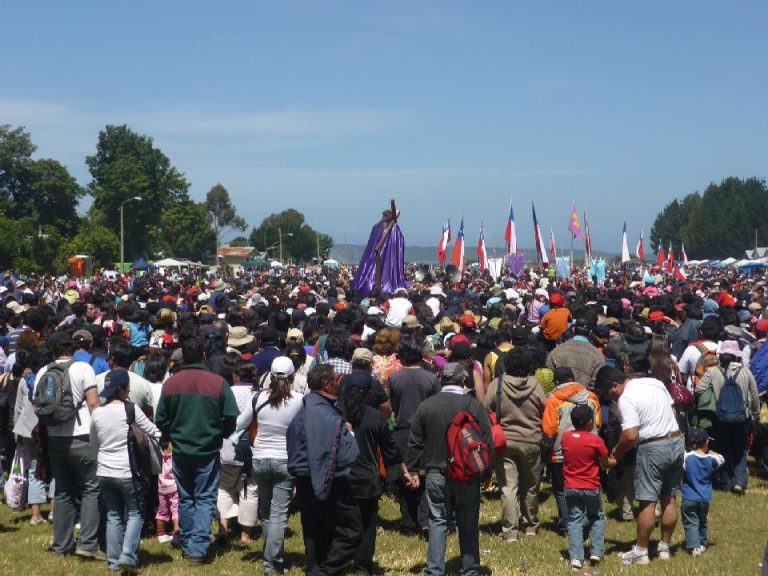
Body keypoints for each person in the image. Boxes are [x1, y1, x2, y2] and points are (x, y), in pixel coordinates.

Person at [155, 335, 239, 563]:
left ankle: (190, 541)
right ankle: (197, 547)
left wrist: (172, 433)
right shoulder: (217, 383)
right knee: (203, 498)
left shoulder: (171, 383)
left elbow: (160, 418)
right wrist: (220, 433)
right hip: (207, 450)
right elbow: (231, 417)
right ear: (203, 356)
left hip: (182, 450)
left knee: (187, 497)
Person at [407, 362, 492, 576]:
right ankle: (471, 568)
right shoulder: (473, 405)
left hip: (436, 471)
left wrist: (414, 470)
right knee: (468, 521)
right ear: (463, 380)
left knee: (438, 520)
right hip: (467, 474)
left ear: (440, 379)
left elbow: (415, 442)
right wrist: (486, 472)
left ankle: (435, 570)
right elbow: (487, 441)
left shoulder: (427, 405)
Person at [601, 370, 684, 565]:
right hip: (676, 440)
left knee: (648, 501)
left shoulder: (626, 398)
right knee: (669, 497)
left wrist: (615, 455)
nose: (608, 398)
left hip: (653, 446)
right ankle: (664, 547)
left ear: (615, 385)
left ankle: (641, 551)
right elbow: (672, 411)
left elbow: (630, 434)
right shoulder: (655, 383)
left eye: (607, 393)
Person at [33, 331, 103, 559]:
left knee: (63, 491)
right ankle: (88, 542)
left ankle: (61, 546)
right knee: (91, 488)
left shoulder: (43, 371)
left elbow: (38, 407)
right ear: (72, 348)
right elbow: (93, 403)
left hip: (54, 438)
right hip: (82, 436)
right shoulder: (84, 369)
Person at [339, 369, 416, 575]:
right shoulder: (374, 417)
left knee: (343, 522)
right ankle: (363, 567)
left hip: (341, 477)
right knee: (367, 526)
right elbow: (390, 449)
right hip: (367, 478)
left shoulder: (336, 412)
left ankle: (341, 561)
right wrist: (404, 471)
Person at [287, 364, 362, 575]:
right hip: (325, 480)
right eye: (336, 381)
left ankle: (315, 569)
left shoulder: (310, 407)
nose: (339, 384)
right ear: (327, 384)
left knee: (315, 532)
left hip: (306, 478)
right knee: (351, 531)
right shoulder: (321, 414)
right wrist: (322, 487)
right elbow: (323, 454)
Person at [237, 356, 303, 574]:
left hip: (260, 459)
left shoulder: (259, 397)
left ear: (271, 376)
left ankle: (273, 559)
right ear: (293, 376)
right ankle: (272, 561)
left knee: (266, 513)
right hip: (284, 460)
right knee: (278, 514)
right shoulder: (298, 400)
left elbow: (240, 423)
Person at [90, 370, 159, 572]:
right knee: (136, 513)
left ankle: (113, 563)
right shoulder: (131, 409)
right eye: (127, 387)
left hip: (104, 471)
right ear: (122, 389)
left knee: (113, 515)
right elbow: (151, 430)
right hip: (128, 472)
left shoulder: (97, 413)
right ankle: (128, 555)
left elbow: (93, 443)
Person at [483, 347, 546, 541]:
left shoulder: (497, 384)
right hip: (532, 441)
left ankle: (510, 530)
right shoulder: (536, 385)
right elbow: (545, 409)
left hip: (505, 441)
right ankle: (530, 525)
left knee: (508, 487)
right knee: (531, 486)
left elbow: (486, 407)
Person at [387, 337, 440, 535]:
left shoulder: (394, 378)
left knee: (406, 477)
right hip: (426, 431)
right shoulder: (431, 378)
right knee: (426, 475)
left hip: (402, 430)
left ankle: (408, 523)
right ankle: (425, 519)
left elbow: (393, 406)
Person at [542, 366, 601, 534]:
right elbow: (598, 423)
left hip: (560, 453)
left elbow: (549, 430)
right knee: (588, 485)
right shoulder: (591, 397)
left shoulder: (553, 399)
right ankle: (588, 520)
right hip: (589, 451)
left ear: (556, 382)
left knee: (561, 490)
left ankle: (567, 524)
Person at [696, 339, 760, 493]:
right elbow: (755, 395)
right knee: (740, 449)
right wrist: (755, 414)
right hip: (742, 417)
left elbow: (699, 389)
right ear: (736, 356)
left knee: (724, 448)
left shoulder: (713, 371)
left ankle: (726, 483)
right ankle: (739, 481)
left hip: (721, 417)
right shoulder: (745, 371)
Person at [561, 403, 610, 572]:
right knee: (596, 516)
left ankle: (576, 557)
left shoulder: (566, 438)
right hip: (591, 485)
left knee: (574, 519)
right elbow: (604, 463)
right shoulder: (596, 440)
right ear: (590, 422)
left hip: (571, 485)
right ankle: (597, 551)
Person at [681, 427, 724, 557]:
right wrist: (710, 452)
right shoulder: (711, 460)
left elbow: (680, 467)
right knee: (702, 521)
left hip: (689, 497)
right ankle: (703, 543)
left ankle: (694, 546)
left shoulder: (687, 457)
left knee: (691, 521)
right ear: (705, 443)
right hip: (704, 497)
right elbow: (721, 458)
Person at [155, 439, 180, 543]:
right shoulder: (175, 452)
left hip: (161, 486)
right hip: (174, 486)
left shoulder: (159, 450)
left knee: (162, 511)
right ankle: (177, 534)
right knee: (176, 510)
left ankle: (160, 534)